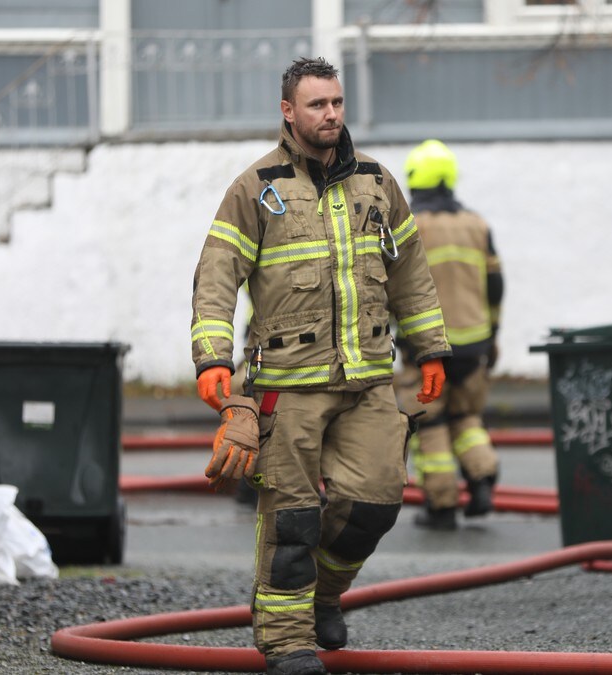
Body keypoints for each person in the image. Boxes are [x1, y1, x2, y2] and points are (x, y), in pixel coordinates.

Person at [189, 57, 450, 675]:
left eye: (336, 102)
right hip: (287, 387)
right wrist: (211, 359)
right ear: (288, 112)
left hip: (367, 381)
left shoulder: (378, 183)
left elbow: (410, 271)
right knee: (293, 519)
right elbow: (217, 277)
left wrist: (431, 347)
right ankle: (287, 641)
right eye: (316, 105)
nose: (330, 114)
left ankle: (324, 597)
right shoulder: (256, 189)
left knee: (376, 501)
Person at [395, 139, 504, 531]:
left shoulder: (411, 225)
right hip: (475, 344)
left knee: (431, 424)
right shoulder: (477, 224)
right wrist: (493, 335)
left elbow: (394, 286)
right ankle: (482, 476)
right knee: (466, 414)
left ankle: (441, 508)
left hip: (429, 348)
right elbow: (495, 286)